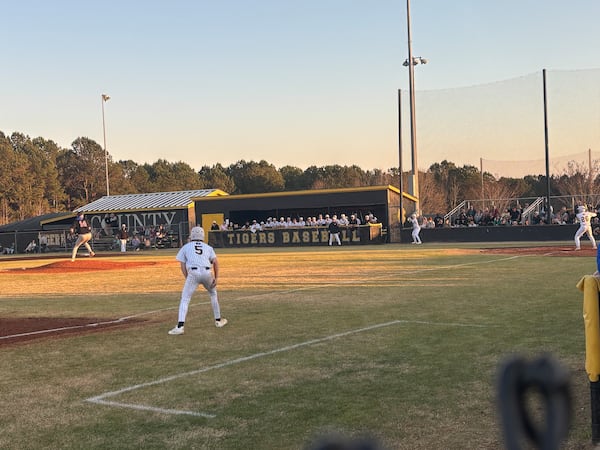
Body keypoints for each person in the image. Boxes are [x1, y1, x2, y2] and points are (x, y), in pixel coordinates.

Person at [168, 226, 227, 335]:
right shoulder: (208, 247)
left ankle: (180, 326)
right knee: (213, 294)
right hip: (207, 272)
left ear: (192, 235)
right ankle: (218, 320)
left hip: (193, 273)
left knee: (185, 298)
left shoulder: (186, 247)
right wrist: (216, 278)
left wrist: (187, 277)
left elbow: (182, 265)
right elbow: (215, 262)